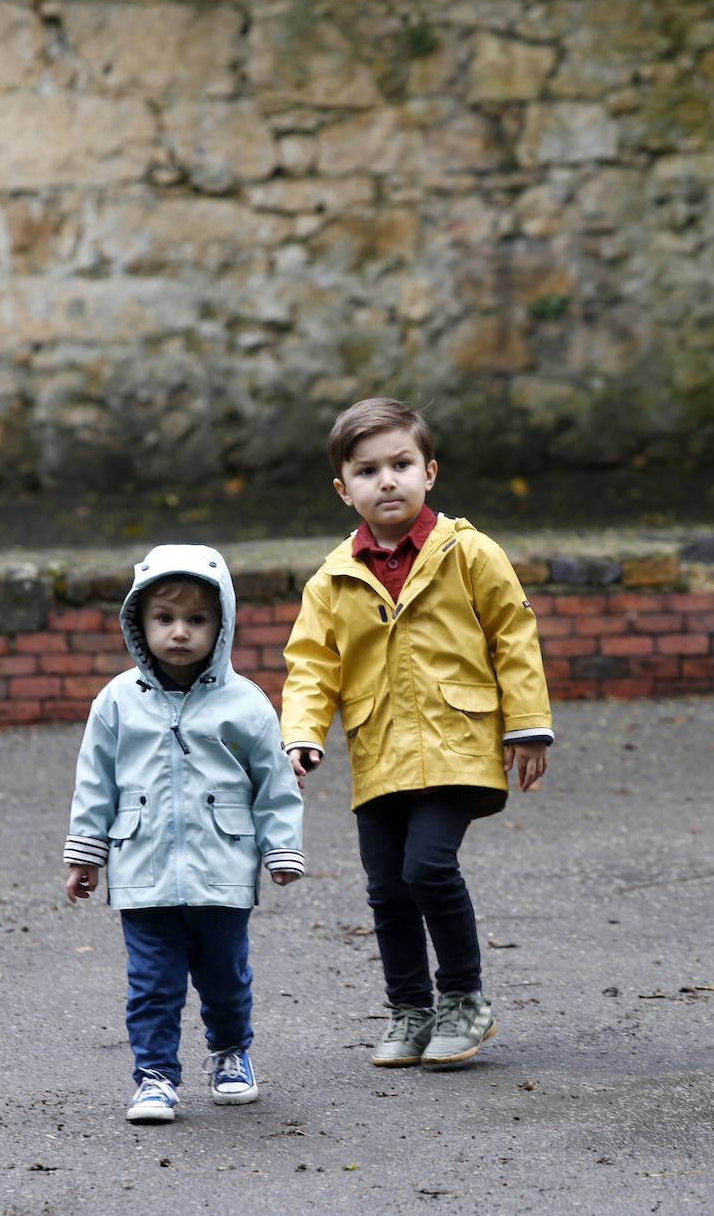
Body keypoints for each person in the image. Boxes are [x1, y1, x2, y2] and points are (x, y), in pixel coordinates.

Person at [281, 398, 552, 1070]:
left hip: (460, 742)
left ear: (429, 471)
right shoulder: (334, 578)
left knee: (427, 866)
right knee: (386, 889)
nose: (388, 481)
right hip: (380, 752)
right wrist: (302, 733)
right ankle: (409, 1009)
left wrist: (527, 725)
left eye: (401, 464)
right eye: (369, 471)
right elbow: (312, 665)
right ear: (345, 490)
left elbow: (513, 635)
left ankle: (463, 998)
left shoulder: (468, 552)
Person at [64, 543, 304, 1123]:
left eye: (197, 620)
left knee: (225, 978)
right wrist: (85, 854)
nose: (179, 633)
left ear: (220, 625)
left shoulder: (245, 703)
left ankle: (230, 1053)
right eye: (164, 619)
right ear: (138, 623)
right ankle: (154, 1077)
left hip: (222, 867)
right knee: (152, 985)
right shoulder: (117, 701)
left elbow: (274, 782)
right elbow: (95, 781)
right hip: (140, 868)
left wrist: (281, 848)